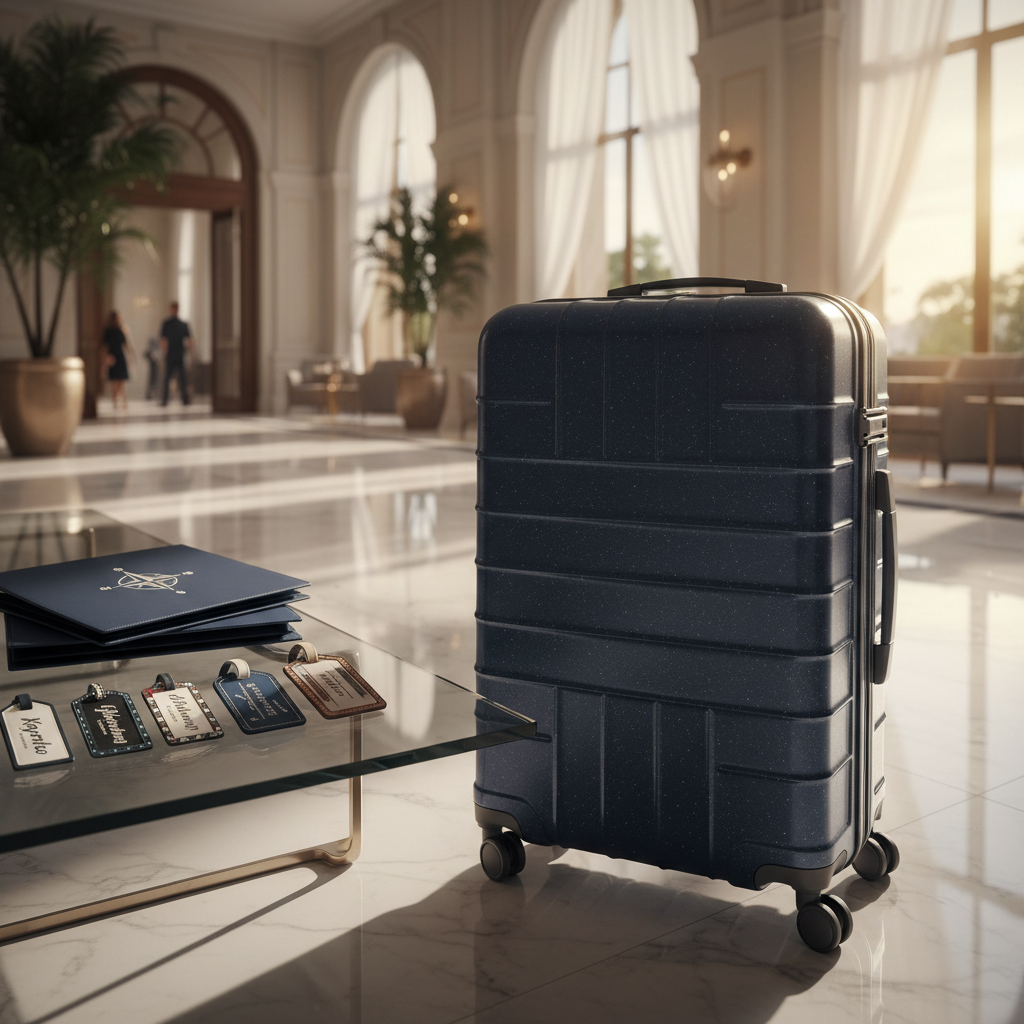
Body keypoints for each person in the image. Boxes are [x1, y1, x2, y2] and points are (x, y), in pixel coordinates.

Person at [159, 301, 193, 406]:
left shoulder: (183, 324)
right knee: (168, 378)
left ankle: (184, 399)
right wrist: (164, 352)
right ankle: (165, 399)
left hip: (179, 354)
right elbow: (163, 340)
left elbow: (190, 340)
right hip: (172, 354)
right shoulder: (167, 324)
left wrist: (190, 351)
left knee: (182, 378)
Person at [102, 310, 135, 412]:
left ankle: (124, 402)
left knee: (122, 381)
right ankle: (115, 402)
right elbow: (105, 347)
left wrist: (131, 356)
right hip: (113, 357)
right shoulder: (108, 331)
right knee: (115, 382)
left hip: (120, 357)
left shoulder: (121, 330)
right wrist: (106, 358)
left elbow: (126, 344)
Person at [144, 335, 161, 400]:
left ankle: (155, 394)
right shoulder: (150, 351)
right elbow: (145, 355)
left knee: (155, 382)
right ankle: (150, 395)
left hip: (158, 370)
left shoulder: (158, 350)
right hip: (153, 370)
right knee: (152, 382)